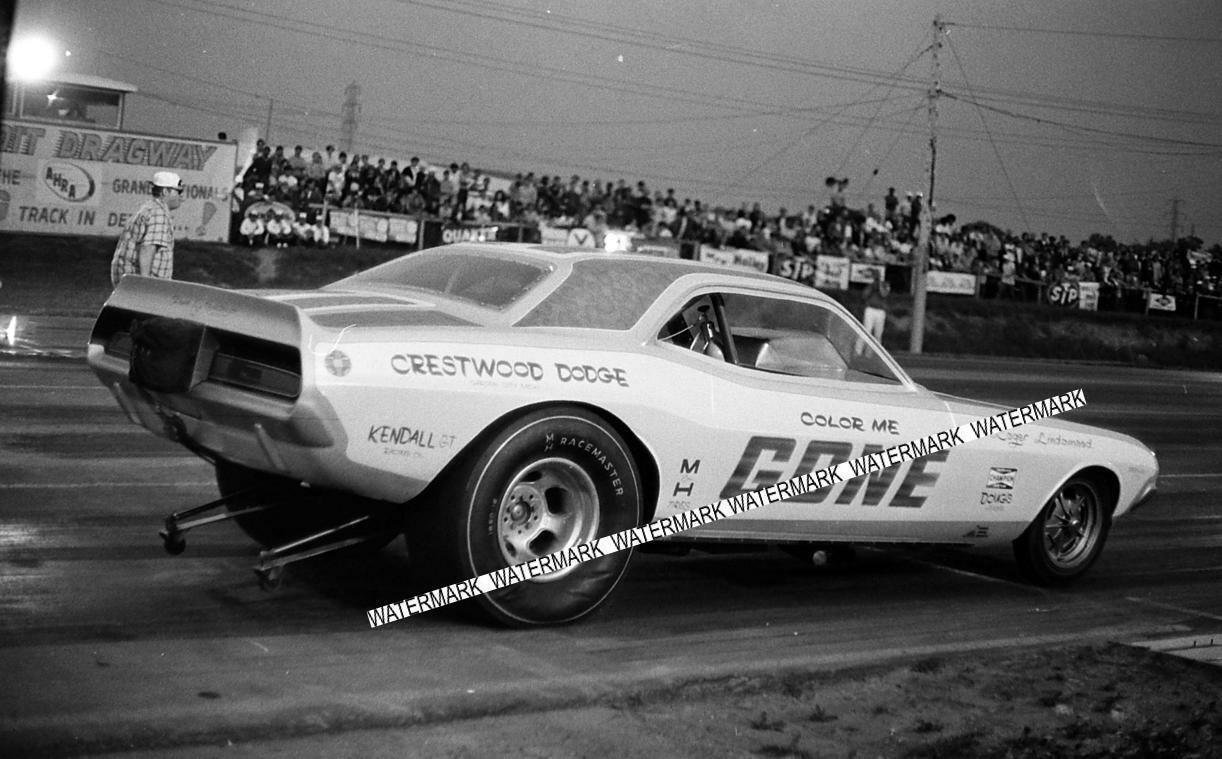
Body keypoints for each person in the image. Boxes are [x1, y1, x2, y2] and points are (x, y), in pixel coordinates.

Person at [110, 171, 183, 287]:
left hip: (128, 276)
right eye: (178, 191)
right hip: (136, 280)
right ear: (165, 191)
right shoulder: (158, 213)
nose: (181, 196)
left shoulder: (150, 207)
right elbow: (147, 249)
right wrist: (145, 285)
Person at [860, 267, 890, 348]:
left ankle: (873, 354)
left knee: (878, 334)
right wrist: (873, 285)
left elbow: (883, 294)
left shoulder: (885, 285)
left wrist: (879, 283)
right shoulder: (871, 286)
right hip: (870, 310)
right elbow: (864, 296)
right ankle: (858, 351)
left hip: (880, 311)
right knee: (866, 331)